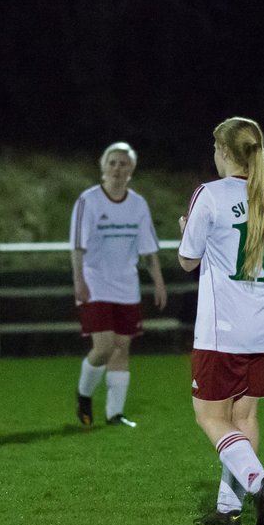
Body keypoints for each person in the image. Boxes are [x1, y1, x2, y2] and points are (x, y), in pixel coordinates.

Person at [177, 116, 264, 525]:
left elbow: (188, 260)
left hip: (225, 328)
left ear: (224, 152)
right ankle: (229, 507)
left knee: (210, 416)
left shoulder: (209, 194)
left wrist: (186, 230)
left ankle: (259, 483)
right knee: (245, 418)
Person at [70, 141, 167, 428]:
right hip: (95, 282)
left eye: (123, 164)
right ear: (103, 167)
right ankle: (84, 394)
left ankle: (115, 414)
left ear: (131, 170)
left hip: (126, 285)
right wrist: (78, 280)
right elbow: (77, 246)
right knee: (103, 347)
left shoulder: (138, 204)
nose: (117, 168)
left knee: (122, 348)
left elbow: (148, 250)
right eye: (112, 162)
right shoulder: (88, 201)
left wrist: (158, 282)